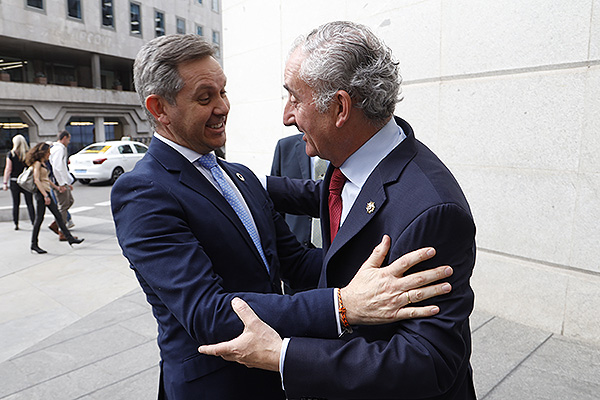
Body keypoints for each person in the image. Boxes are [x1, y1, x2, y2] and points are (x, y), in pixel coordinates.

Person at [111, 33, 454, 400]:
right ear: (159, 108)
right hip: (218, 385)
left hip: (276, 374)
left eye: (223, 92)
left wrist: (380, 280)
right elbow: (207, 313)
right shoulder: (142, 191)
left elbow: (294, 261)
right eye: (205, 97)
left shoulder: (238, 175)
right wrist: (343, 305)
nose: (223, 107)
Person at [198, 21, 477, 400]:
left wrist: (282, 356)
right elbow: (320, 195)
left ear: (340, 108)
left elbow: (429, 360)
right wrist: (232, 180)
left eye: (295, 98)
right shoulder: (350, 160)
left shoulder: (431, 212)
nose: (286, 115)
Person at [270, 133, 328, 248]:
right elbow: (275, 207)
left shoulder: (347, 147)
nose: (286, 120)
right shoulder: (285, 147)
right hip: (296, 249)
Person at [26, 142, 84, 254]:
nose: (49, 154)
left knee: (57, 215)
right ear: (43, 152)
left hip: (45, 192)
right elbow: (37, 180)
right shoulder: (37, 163)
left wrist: (56, 187)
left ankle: (70, 238)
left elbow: (46, 179)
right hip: (41, 194)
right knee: (39, 219)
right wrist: (45, 195)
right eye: (48, 152)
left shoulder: (43, 163)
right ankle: (34, 244)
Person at [2, 134, 35, 230]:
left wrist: (5, 183)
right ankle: (33, 222)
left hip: (14, 181)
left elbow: (8, 169)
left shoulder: (11, 154)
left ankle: (16, 224)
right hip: (26, 181)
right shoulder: (28, 154)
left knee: (16, 203)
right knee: (30, 203)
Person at [48, 130, 76, 241]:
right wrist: (61, 184)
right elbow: (58, 167)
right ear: (64, 138)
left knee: (69, 201)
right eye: (68, 139)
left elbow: (63, 168)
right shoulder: (59, 149)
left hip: (62, 181)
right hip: (59, 182)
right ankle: (62, 231)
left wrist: (68, 182)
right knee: (63, 206)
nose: (69, 142)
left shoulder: (58, 148)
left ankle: (56, 224)